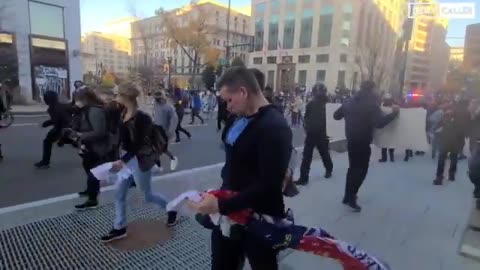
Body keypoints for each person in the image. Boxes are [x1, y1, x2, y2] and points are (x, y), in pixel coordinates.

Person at [188, 66, 292, 270]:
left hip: (259, 218)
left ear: (243, 92)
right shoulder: (238, 118)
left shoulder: (274, 127)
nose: (227, 106)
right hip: (229, 210)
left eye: (228, 100)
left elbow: (269, 185)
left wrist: (220, 206)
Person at [101, 83, 177, 243]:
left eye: (117, 95)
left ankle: (171, 209)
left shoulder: (143, 118)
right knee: (118, 194)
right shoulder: (121, 112)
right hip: (126, 160)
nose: (115, 98)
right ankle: (119, 227)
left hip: (139, 160)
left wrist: (123, 160)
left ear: (125, 97)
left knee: (147, 195)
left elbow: (138, 145)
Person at [334, 81, 399, 212]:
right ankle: (352, 197)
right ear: (372, 89)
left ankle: (347, 196)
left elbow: (336, 116)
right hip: (363, 141)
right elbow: (379, 123)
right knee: (361, 170)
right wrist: (394, 114)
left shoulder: (350, 101)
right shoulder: (371, 104)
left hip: (351, 140)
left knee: (352, 168)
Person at [71, 88, 111, 210]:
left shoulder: (95, 111)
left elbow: (100, 132)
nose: (77, 101)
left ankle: (92, 199)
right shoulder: (86, 110)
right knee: (88, 167)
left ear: (86, 99)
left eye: (79, 99)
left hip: (98, 148)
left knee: (93, 172)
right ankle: (90, 191)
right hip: (89, 146)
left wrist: (80, 135)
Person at [295, 83, 333, 185]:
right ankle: (304, 178)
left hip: (320, 133)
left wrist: (307, 127)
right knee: (309, 155)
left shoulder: (328, 104)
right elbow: (307, 117)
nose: (318, 93)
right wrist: (307, 127)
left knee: (321, 153)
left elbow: (330, 119)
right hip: (314, 133)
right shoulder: (312, 104)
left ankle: (327, 169)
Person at [433, 99, 470, 185]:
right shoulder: (464, 116)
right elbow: (465, 128)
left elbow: (439, 126)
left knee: (442, 159)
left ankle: (439, 177)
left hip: (445, 139)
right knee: (454, 158)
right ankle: (451, 175)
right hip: (456, 140)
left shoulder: (447, 115)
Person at [34, 91, 73, 169]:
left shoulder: (53, 108)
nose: (44, 100)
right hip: (67, 128)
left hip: (64, 129)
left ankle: (45, 162)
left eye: (45, 98)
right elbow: (57, 119)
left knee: (48, 141)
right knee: (49, 140)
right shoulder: (61, 106)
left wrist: (45, 124)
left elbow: (56, 121)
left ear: (47, 100)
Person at [152, 90, 179, 172]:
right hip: (156, 130)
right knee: (159, 149)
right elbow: (154, 115)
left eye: (158, 98)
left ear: (163, 98)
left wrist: (170, 131)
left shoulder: (169, 108)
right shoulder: (155, 105)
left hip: (164, 132)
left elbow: (174, 120)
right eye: (156, 98)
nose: (156, 100)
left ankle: (160, 166)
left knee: (159, 149)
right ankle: (171, 159)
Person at [379, 93, 396, 162]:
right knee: (384, 143)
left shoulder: (394, 107)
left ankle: (391, 157)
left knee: (391, 143)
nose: (387, 101)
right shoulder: (381, 107)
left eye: (388, 100)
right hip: (384, 127)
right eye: (386, 100)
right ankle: (384, 158)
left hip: (392, 127)